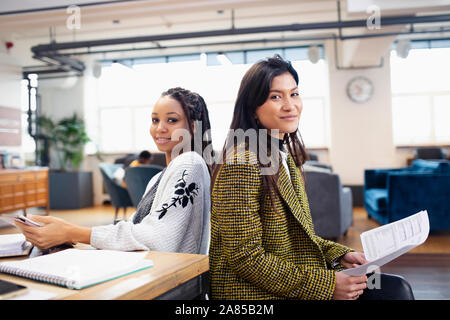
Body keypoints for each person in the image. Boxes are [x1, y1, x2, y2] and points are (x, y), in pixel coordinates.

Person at [209, 55, 370, 300]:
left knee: (390, 287)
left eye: (294, 94)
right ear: (253, 106)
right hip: (254, 296)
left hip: (289, 282)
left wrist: (339, 254)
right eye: (276, 96)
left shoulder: (282, 156)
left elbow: (298, 236)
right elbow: (246, 257)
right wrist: (327, 286)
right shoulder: (241, 164)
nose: (289, 105)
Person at [15, 87, 213, 254]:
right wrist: (68, 238)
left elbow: (157, 239)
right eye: (154, 120)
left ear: (194, 126)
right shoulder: (157, 179)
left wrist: (72, 231)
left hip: (175, 285)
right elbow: (136, 232)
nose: (159, 128)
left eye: (171, 120)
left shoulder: (190, 163)